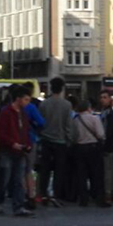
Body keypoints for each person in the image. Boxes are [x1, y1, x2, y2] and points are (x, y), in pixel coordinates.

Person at [0, 85, 36, 217]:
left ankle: (18, 206)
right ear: (18, 99)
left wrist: (27, 144)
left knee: (18, 179)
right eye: (25, 100)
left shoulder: (23, 114)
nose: (27, 103)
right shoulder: (6, 113)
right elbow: (1, 133)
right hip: (8, 150)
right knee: (5, 177)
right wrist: (12, 143)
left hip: (20, 150)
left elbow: (26, 130)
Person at [38, 78, 72, 207]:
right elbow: (68, 125)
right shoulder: (67, 105)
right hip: (60, 141)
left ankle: (43, 194)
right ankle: (56, 195)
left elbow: (40, 122)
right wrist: (69, 140)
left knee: (45, 169)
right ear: (62, 88)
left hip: (46, 140)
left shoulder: (44, 104)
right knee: (59, 170)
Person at [72, 99, 109, 207]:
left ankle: (84, 199)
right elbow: (101, 134)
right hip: (93, 147)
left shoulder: (76, 120)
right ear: (89, 107)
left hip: (79, 147)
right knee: (96, 174)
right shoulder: (95, 118)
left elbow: (73, 136)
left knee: (82, 174)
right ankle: (98, 197)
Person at [22, 82, 45, 205]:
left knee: (19, 170)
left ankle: (21, 193)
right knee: (28, 170)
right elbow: (41, 122)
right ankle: (30, 194)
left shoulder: (11, 107)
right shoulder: (31, 107)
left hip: (15, 142)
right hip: (30, 140)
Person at [99, 91, 113, 202]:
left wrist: (105, 143)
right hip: (110, 145)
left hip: (108, 145)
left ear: (109, 99)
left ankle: (108, 193)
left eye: (105, 97)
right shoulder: (106, 112)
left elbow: (110, 131)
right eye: (101, 97)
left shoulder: (109, 114)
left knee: (107, 171)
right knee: (111, 170)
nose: (102, 99)